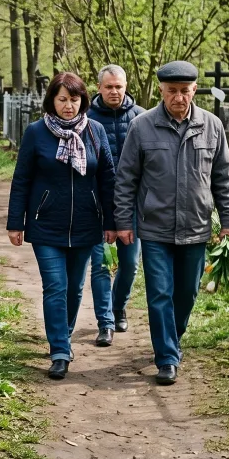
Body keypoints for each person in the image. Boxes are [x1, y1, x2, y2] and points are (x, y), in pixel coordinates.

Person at [114, 61, 229, 386]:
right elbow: (126, 178)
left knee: (187, 293)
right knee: (159, 293)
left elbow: (224, 179)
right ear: (161, 90)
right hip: (154, 228)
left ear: (194, 90)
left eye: (185, 91)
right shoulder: (141, 127)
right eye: (172, 91)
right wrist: (124, 220)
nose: (179, 98)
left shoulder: (212, 126)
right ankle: (167, 357)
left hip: (196, 227)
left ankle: (172, 337)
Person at [6, 72, 117, 380]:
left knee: (74, 287)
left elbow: (107, 179)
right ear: (52, 101)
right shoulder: (36, 132)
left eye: (74, 100)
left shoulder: (95, 131)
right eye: (62, 100)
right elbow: (22, 179)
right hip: (46, 226)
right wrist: (16, 222)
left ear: (83, 101)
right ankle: (59, 350)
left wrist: (111, 221)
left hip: (86, 223)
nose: (69, 106)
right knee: (55, 286)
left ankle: (63, 334)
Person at [86, 65, 145, 346]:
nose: (114, 91)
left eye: (119, 86)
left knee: (130, 263)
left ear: (126, 86)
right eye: (108, 87)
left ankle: (118, 306)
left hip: (131, 206)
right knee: (99, 265)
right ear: (99, 88)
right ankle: (104, 322)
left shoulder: (141, 118)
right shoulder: (85, 118)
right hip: (97, 206)